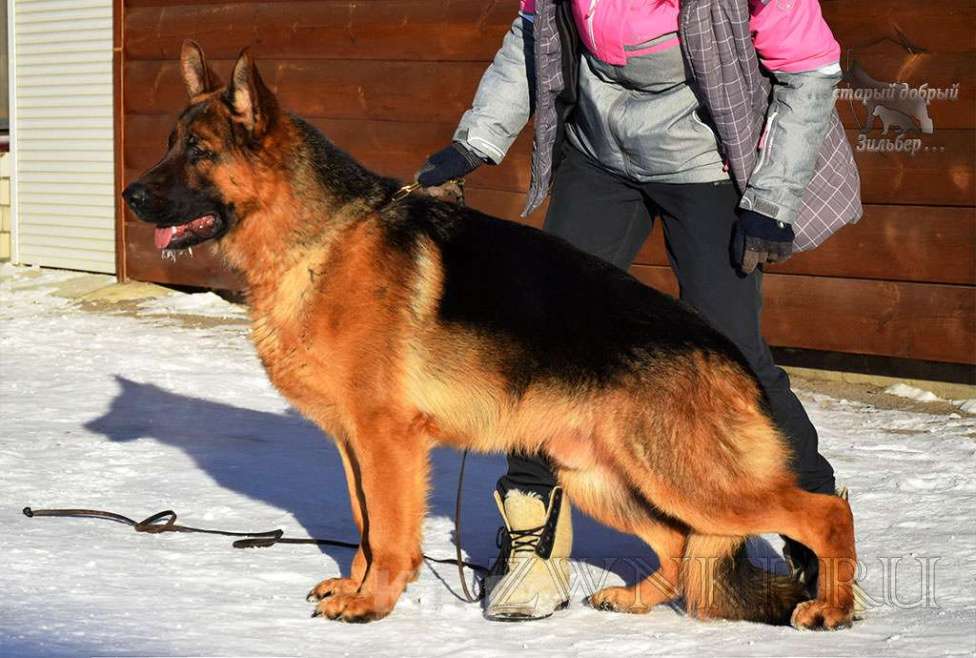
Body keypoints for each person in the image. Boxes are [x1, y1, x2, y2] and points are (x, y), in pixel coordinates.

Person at [416, 0, 860, 621]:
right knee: (541, 342)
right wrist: (475, 142)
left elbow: (810, 70)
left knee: (731, 351)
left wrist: (773, 198)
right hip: (600, 155)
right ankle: (533, 539)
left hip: (710, 162)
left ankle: (816, 531)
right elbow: (533, 35)